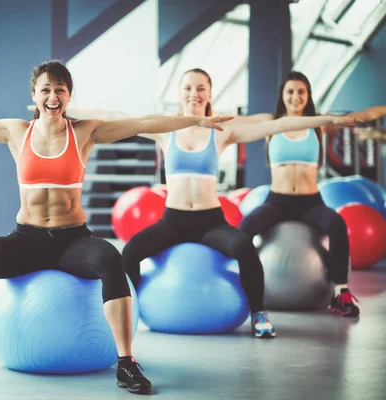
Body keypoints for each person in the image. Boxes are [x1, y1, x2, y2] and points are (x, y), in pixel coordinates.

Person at [0, 60, 233, 395]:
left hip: (72, 241)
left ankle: (126, 363)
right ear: (33, 94)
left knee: (112, 259)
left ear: (68, 95)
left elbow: (143, 123)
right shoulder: (15, 131)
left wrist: (196, 122)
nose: (53, 97)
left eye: (60, 90)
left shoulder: (85, 132)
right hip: (26, 240)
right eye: (46, 90)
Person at [63, 68, 359, 338]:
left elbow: (278, 125)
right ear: (180, 93)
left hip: (209, 222)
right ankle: (130, 312)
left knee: (244, 247)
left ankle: (258, 314)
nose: (195, 94)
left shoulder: (222, 129)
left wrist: (329, 120)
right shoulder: (165, 129)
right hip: (173, 221)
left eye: (201, 88)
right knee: (130, 252)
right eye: (189, 88)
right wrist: (65, 109)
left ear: (210, 93)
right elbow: (114, 115)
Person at [236, 71, 386, 318]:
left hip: (309, 202)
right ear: (282, 96)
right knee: (247, 226)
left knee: (337, 224)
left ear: (308, 96)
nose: (296, 97)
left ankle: (341, 293)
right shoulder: (271, 121)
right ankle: (243, 288)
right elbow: (235, 120)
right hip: (277, 201)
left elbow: (364, 116)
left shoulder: (318, 123)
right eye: (290, 92)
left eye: (301, 92)